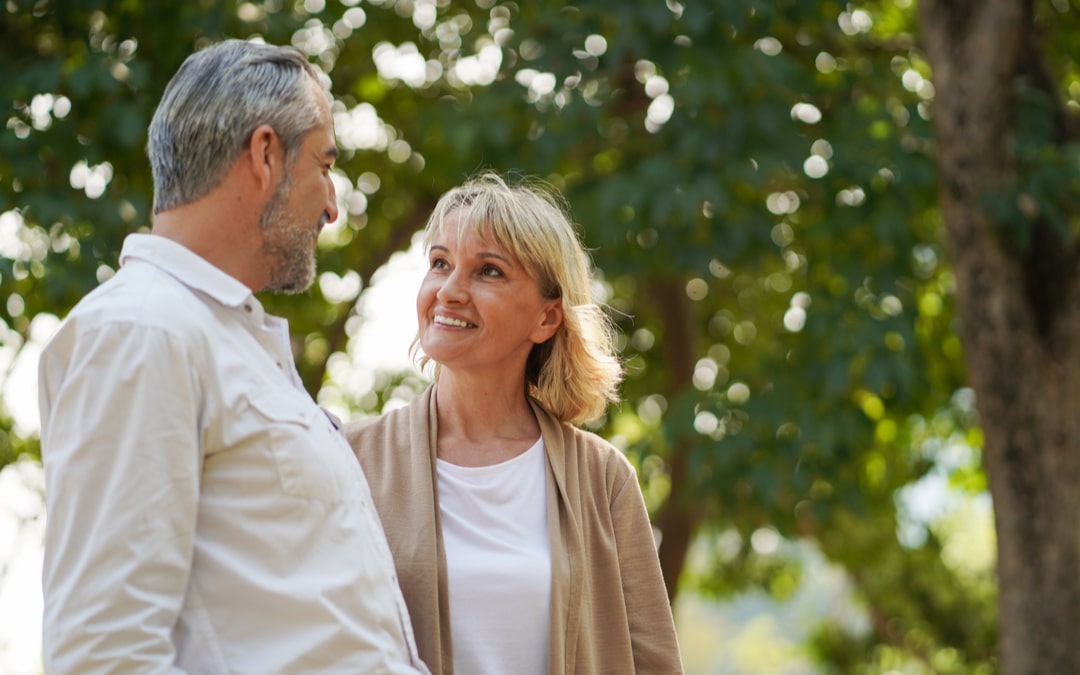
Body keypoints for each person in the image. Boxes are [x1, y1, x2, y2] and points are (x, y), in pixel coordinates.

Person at [37, 39, 429, 674]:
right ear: (266, 154)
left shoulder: (216, 337)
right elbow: (104, 656)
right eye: (324, 165)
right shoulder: (142, 333)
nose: (332, 204)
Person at [345, 172, 684, 674]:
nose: (451, 291)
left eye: (489, 272)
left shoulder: (603, 479)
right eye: (440, 263)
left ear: (547, 319)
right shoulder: (351, 460)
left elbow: (653, 663)